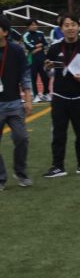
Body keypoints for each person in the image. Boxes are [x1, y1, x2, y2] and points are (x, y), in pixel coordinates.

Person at [43, 14, 80, 177]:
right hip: (59, 97)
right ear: (61, 29)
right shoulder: (54, 47)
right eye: (66, 25)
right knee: (58, 133)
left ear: (78, 27)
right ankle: (58, 166)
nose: (70, 28)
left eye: (73, 24)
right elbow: (49, 71)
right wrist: (47, 68)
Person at [0, 14, 33, 190]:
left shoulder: (16, 50)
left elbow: (25, 75)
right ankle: (1, 178)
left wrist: (28, 99)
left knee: (22, 138)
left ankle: (20, 172)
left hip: (14, 103)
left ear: (5, 32)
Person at [22, 19, 50, 102]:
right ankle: (36, 95)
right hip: (32, 59)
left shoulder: (40, 33)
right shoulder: (26, 36)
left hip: (42, 58)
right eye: (32, 25)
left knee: (45, 77)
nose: (34, 26)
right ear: (28, 26)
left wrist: (36, 47)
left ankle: (46, 94)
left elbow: (46, 43)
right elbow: (29, 47)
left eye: (35, 24)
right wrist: (39, 46)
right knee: (33, 77)